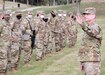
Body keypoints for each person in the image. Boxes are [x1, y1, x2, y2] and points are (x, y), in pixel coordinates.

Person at [76, 7, 102, 75]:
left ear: (93, 16)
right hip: (87, 59)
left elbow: (92, 32)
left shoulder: (96, 27)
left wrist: (82, 25)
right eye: (85, 14)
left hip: (92, 60)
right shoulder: (87, 28)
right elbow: (84, 46)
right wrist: (82, 61)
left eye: (88, 14)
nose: (85, 16)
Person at [0, 11, 12, 75]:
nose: (7, 16)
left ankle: (5, 72)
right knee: (3, 59)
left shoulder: (8, 23)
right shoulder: (1, 23)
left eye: (8, 15)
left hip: (8, 44)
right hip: (2, 45)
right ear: (3, 16)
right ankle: (1, 72)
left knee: (8, 59)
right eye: (6, 15)